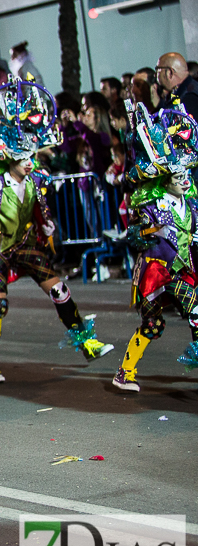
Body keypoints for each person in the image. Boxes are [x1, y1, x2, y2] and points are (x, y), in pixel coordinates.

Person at [0, 77, 113, 384]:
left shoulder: (37, 179)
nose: (28, 162)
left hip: (25, 244)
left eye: (31, 156)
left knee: (60, 290)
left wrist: (47, 223)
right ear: (9, 154)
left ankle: (87, 343)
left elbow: (41, 210)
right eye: (23, 157)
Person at [113, 103, 198, 392]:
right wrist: (151, 230)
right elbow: (134, 237)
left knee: (175, 319)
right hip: (157, 272)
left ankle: (124, 372)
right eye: (178, 177)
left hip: (182, 268)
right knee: (154, 325)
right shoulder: (151, 205)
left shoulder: (192, 205)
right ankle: (125, 372)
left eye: (187, 176)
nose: (185, 181)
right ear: (165, 180)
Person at [156, 52, 198, 117]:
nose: (155, 75)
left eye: (158, 70)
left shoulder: (189, 98)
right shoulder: (187, 90)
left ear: (170, 72)